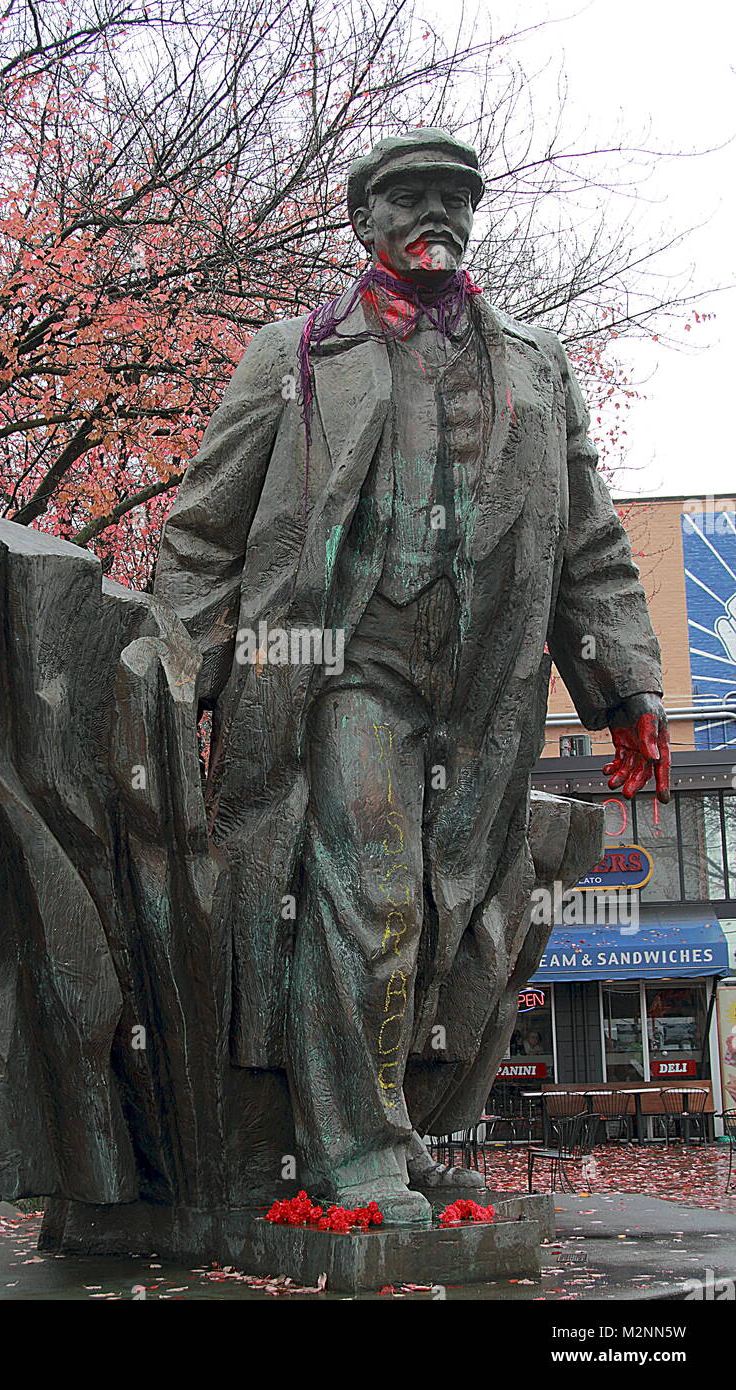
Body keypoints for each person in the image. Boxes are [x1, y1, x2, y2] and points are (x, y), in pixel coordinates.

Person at [155, 128, 668, 1223]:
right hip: (339, 664)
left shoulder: (534, 362)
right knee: (371, 891)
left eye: (454, 197)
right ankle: (350, 1156)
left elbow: (587, 540)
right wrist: (180, 676)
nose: (435, 214)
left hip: (484, 686)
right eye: (409, 198)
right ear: (363, 221)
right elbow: (202, 532)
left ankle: (388, 1122)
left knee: (447, 908)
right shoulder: (293, 354)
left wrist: (628, 688)